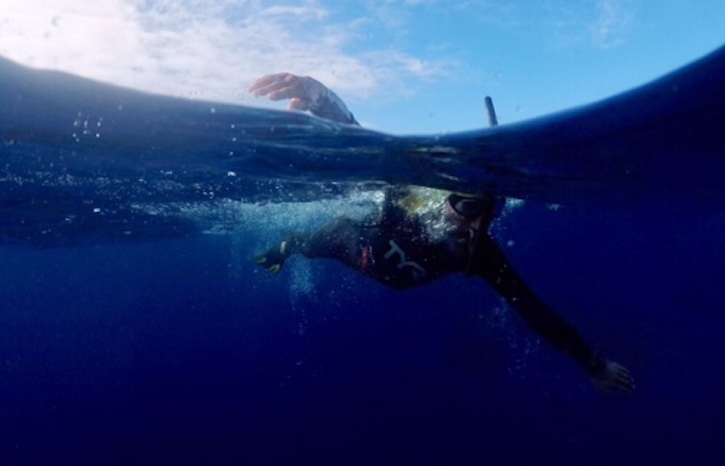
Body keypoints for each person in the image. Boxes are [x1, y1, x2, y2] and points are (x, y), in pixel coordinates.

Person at [249, 73, 635, 395]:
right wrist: (319, 97)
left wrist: (593, 364)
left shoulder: (482, 253)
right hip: (350, 243)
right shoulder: (407, 195)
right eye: (468, 208)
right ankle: (279, 251)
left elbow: (532, 307)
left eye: (489, 212)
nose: (474, 223)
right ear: (446, 199)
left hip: (395, 278)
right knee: (300, 244)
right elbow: (359, 141)